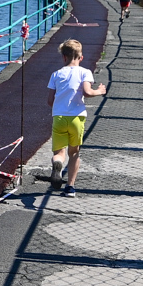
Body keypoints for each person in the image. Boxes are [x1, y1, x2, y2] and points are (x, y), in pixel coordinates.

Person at [47, 39, 107, 196]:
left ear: (64, 57)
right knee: (74, 153)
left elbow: (49, 100)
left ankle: (57, 164)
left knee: (59, 152)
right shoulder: (85, 72)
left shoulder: (56, 74)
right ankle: (70, 187)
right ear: (81, 58)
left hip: (59, 117)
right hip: (76, 117)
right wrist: (99, 91)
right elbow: (87, 92)